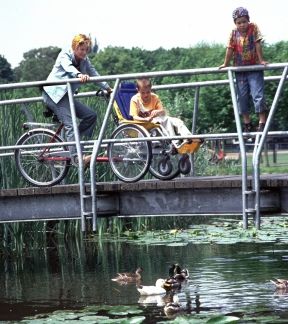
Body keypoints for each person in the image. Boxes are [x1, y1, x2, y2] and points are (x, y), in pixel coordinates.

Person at [42, 33, 112, 166]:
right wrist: (79, 74)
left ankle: (77, 144)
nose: (84, 52)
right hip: (54, 95)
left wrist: (108, 88)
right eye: (81, 49)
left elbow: (93, 72)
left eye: (86, 50)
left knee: (91, 116)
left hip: (66, 96)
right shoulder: (65, 55)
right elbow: (68, 67)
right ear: (74, 47)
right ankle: (77, 159)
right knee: (71, 124)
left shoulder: (85, 61)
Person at [219, 7, 268, 133]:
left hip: (254, 67)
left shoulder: (254, 28)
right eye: (239, 22)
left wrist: (262, 60)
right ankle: (247, 123)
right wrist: (226, 63)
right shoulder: (233, 33)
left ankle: (262, 122)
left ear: (248, 20)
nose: (242, 25)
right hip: (240, 69)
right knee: (242, 97)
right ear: (235, 23)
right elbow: (230, 48)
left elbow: (257, 43)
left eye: (244, 21)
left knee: (258, 95)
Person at [129, 78, 192, 147]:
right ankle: (175, 143)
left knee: (177, 121)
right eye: (143, 93)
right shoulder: (135, 100)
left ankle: (188, 138)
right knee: (166, 121)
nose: (146, 95)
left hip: (158, 121)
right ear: (138, 90)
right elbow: (134, 117)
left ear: (151, 89)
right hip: (144, 124)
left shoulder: (154, 97)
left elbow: (163, 112)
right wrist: (145, 119)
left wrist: (158, 111)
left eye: (148, 92)